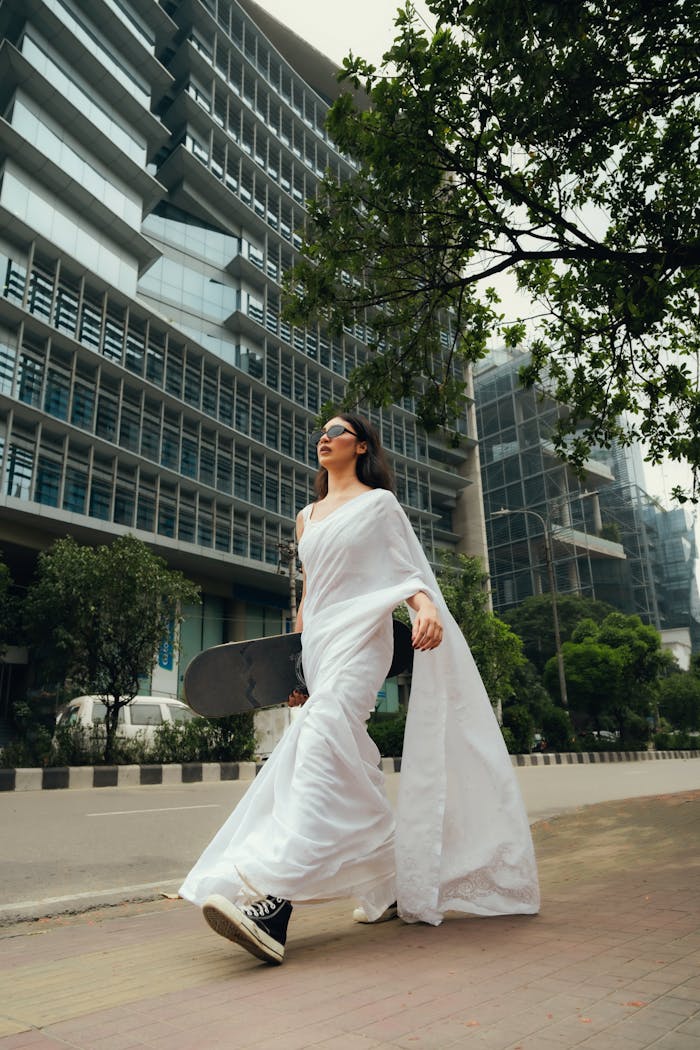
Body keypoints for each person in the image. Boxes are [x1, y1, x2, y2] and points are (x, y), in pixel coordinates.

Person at [179, 414, 539, 964]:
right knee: (342, 757)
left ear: (362, 446)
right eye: (320, 432)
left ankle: (274, 906)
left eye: (337, 431)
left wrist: (425, 611)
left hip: (363, 638)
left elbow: (405, 568)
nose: (324, 437)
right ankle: (394, 878)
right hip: (319, 646)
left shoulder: (379, 505)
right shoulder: (306, 517)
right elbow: (309, 594)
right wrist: (292, 667)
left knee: (318, 746)